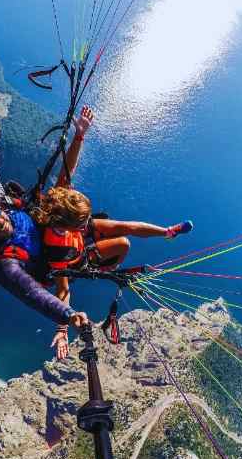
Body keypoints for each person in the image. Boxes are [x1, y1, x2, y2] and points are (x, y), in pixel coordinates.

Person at [30, 106, 193, 359]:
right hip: (77, 257)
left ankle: (167, 232)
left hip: (76, 240)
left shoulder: (59, 200)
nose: (88, 222)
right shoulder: (56, 249)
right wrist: (62, 327)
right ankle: (100, 270)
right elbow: (62, 290)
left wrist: (80, 134)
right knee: (123, 245)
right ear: (71, 225)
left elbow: (68, 169)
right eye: (83, 221)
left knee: (122, 227)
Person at [0, 114, 92, 343]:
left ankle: (80, 136)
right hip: (42, 255)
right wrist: (69, 316)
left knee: (61, 190)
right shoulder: (4, 264)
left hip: (36, 228)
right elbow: (33, 294)